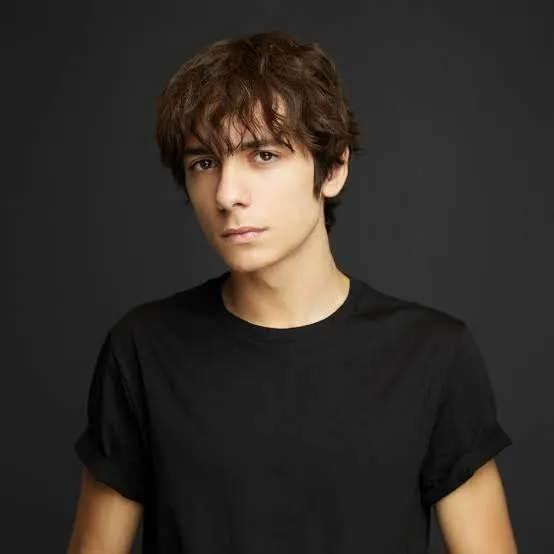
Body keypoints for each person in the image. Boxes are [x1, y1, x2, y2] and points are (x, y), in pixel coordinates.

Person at [67, 30, 517, 553]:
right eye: (204, 163)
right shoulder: (143, 349)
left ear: (334, 168)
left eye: (263, 155)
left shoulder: (433, 354)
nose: (227, 195)